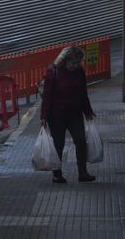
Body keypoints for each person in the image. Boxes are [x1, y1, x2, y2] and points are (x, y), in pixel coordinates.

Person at [41, 46, 96, 183]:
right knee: (58, 144)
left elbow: (83, 93)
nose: (75, 66)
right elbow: (47, 96)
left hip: (75, 114)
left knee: (81, 141)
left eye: (78, 63)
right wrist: (44, 116)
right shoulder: (53, 72)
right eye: (73, 63)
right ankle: (57, 174)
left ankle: (82, 172)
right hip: (57, 116)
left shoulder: (79, 72)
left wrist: (88, 111)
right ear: (64, 60)